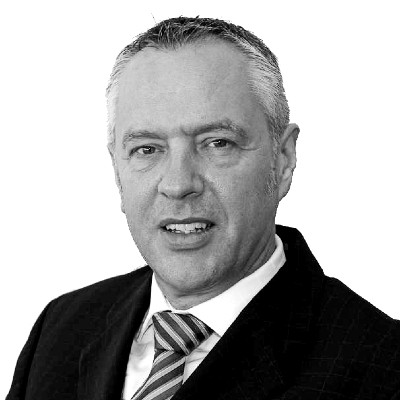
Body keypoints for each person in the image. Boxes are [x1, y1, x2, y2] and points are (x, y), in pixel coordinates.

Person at [7, 16, 400, 400]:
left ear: (283, 159)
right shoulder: (60, 330)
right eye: (147, 149)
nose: (178, 185)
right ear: (117, 169)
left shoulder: (385, 368)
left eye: (217, 143)